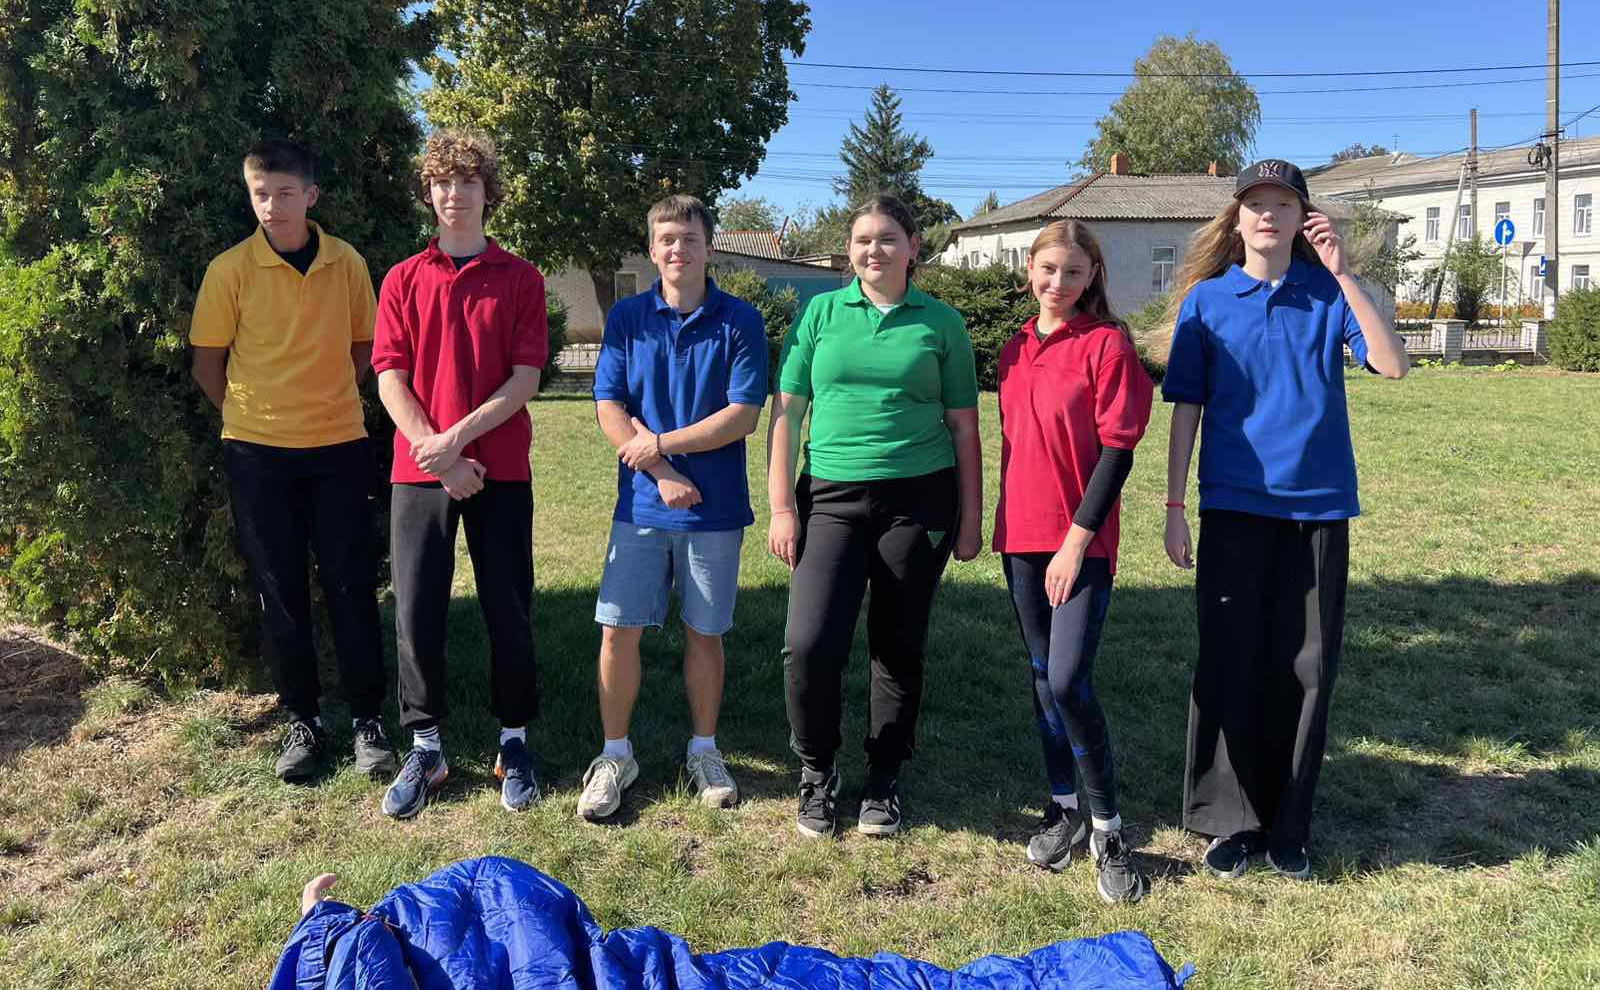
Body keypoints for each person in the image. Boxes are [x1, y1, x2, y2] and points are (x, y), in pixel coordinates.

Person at [1157, 159, 1409, 881]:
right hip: (1233, 505)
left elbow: (1391, 365)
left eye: (1284, 204)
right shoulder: (1208, 301)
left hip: (1318, 507)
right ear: (1237, 218)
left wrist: (1344, 272)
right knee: (1230, 658)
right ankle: (1230, 821)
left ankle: (1289, 824)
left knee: (1306, 668)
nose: (1268, 214)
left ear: (1303, 219)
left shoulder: (1328, 294)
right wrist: (1174, 508)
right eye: (1256, 203)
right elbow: (1186, 411)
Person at [767, 195, 982, 839]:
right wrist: (781, 507)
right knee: (809, 644)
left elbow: (964, 427)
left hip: (918, 501)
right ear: (849, 249)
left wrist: (972, 519)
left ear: (914, 246)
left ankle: (884, 776)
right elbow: (787, 415)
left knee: (897, 644)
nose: (874, 250)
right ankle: (817, 768)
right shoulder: (820, 313)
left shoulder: (942, 323)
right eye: (863, 239)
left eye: (888, 238)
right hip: (829, 498)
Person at [190, 139, 394, 783]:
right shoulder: (229, 269)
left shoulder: (347, 262)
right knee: (279, 590)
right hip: (257, 455)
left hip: (339, 447)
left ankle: (368, 721)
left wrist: (325, 398)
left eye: (284, 193)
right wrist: (253, 416)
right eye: (260, 194)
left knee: (350, 585)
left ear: (310, 196)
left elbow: (364, 347)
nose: (272, 206)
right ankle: (302, 721)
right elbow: (207, 362)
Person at [370, 130, 548, 819]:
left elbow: (525, 378)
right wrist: (437, 453)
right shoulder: (402, 278)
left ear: (487, 192)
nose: (454, 194)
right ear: (429, 193)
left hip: (498, 468)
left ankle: (514, 742)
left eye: (467, 181)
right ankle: (427, 748)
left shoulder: (521, 278)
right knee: (416, 608)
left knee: (509, 606)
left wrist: (455, 443)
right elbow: (390, 375)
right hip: (419, 472)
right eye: (442, 182)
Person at [276, 857, 1193, 990]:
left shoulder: (395, 928)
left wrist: (327, 926)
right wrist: (326, 922)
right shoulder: (370, 935)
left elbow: (525, 909)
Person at [579, 194, 769, 822]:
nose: (677, 249)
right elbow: (609, 406)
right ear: (652, 248)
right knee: (617, 631)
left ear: (708, 247)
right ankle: (615, 755)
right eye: (666, 238)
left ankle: (704, 749)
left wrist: (659, 443)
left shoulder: (740, 319)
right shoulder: (628, 317)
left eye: (689, 238)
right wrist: (660, 472)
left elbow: (742, 415)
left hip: (714, 510)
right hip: (640, 506)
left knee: (705, 634)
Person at [993, 220, 1153, 904]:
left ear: (1093, 278)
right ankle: (1064, 809)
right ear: (1030, 269)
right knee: (1040, 678)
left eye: (1074, 272)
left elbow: (1118, 450)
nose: (1059, 283)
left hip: (1079, 543)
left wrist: (1077, 540)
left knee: (1068, 680)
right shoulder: (1014, 348)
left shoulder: (1107, 344)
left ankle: (1109, 829)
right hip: (1021, 537)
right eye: (1048, 269)